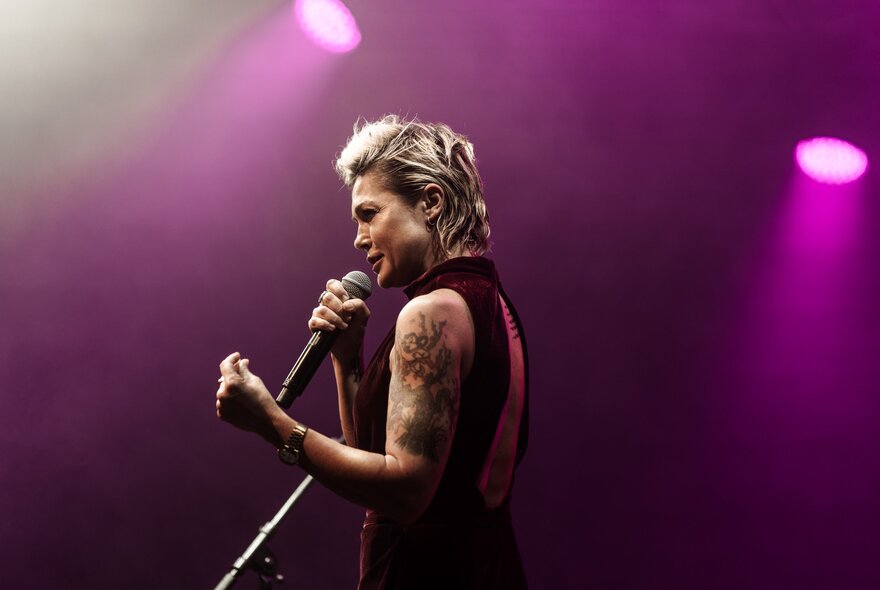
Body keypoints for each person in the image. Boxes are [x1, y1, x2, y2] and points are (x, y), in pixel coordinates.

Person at [216, 115, 529, 589]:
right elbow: (377, 465)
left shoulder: (432, 313)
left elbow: (405, 493)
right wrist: (347, 358)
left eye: (369, 213)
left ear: (430, 202)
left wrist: (271, 422)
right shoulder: (493, 306)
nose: (359, 238)